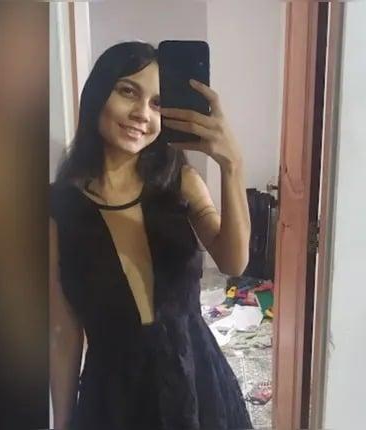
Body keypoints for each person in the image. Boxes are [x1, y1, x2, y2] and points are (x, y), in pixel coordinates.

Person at [50, 42, 252, 430]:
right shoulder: (58, 206)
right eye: (128, 91)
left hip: (195, 379)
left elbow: (234, 261)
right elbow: (63, 331)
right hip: (114, 398)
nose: (142, 113)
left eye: (158, 103)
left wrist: (232, 165)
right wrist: (62, 423)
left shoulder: (180, 182)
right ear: (97, 94)